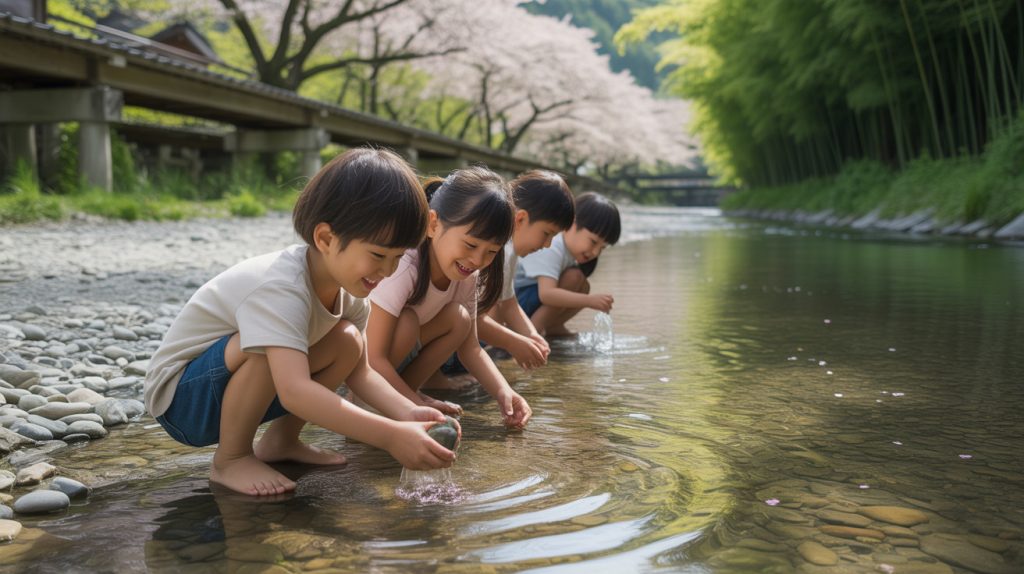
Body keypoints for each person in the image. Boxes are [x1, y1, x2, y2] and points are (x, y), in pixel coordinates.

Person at [143, 148, 459, 497]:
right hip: (182, 401)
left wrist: (409, 414)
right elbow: (294, 391)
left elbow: (362, 372)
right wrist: (389, 436)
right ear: (325, 239)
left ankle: (281, 440)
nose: (386, 271)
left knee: (348, 341)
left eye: (398, 258)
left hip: (226, 389)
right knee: (264, 346)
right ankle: (231, 458)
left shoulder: (351, 293)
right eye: (377, 255)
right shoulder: (280, 286)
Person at [365, 166, 533, 428]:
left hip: (395, 369)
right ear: (433, 224)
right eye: (470, 245)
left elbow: (471, 348)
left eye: (491, 252)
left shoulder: (468, 274)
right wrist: (416, 405)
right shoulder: (404, 264)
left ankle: (405, 394)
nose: (477, 260)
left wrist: (504, 392)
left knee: (460, 318)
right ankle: (369, 402)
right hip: (363, 370)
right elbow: (372, 358)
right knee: (407, 321)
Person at [475, 170, 575, 370]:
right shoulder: (499, 250)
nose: (547, 244)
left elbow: (509, 304)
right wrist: (513, 342)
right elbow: (471, 319)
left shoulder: (509, 250)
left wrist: (532, 337)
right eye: (546, 233)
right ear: (520, 219)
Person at [514, 191, 621, 337]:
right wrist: (589, 301)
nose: (595, 252)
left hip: (526, 300)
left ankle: (553, 328)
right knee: (574, 278)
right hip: (515, 302)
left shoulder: (568, 251)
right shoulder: (552, 246)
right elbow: (547, 294)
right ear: (572, 223)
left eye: (602, 247)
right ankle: (533, 332)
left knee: (582, 286)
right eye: (593, 242)